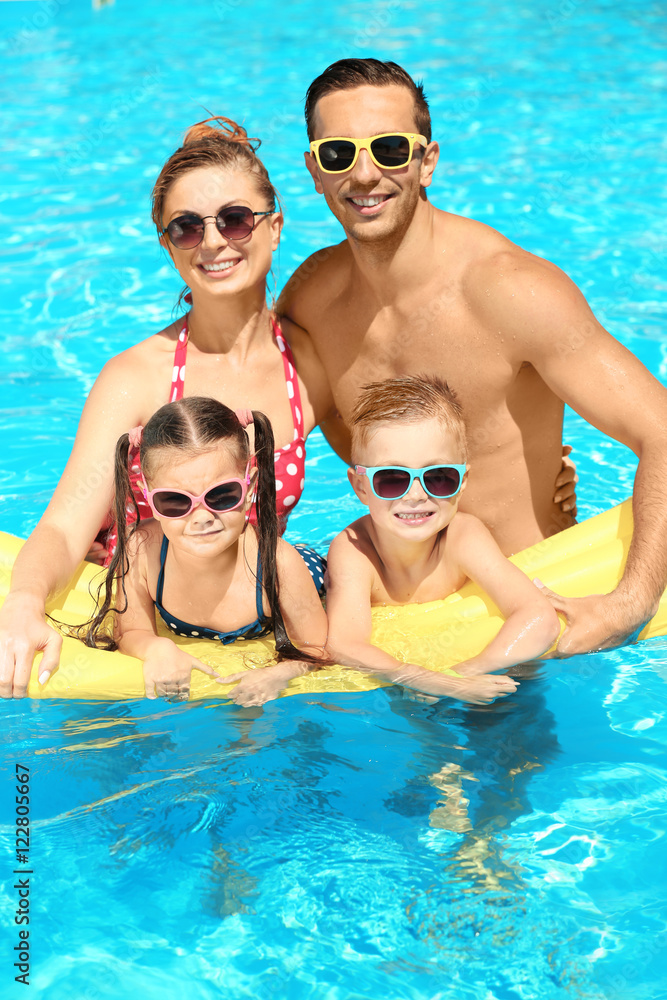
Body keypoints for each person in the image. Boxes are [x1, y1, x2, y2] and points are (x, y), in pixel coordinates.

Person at [0, 113, 573, 698]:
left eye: (235, 219)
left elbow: (396, 463)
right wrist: (23, 605)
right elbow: (65, 527)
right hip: (145, 618)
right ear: (168, 246)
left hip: (265, 613)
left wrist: (540, 482)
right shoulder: (136, 377)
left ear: (273, 228)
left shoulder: (310, 364)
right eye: (187, 228)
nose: (216, 241)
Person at [278, 57, 667, 658]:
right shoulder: (311, 302)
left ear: (427, 160)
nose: (363, 174)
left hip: (526, 619)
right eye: (337, 155)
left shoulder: (511, 292)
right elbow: (244, 430)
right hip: (390, 626)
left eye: (388, 149)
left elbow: (661, 431)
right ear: (314, 171)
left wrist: (631, 602)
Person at [325, 375, 560, 703]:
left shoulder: (462, 536)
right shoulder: (354, 550)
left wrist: (466, 674)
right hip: (397, 691)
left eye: (438, 478)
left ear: (462, 480)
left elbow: (538, 616)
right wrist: (424, 680)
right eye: (392, 479)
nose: (416, 495)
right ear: (360, 487)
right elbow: (345, 644)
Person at [80, 397, 327, 704]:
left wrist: (278, 673)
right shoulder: (143, 551)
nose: (201, 517)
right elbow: (130, 632)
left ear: (249, 488)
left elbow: (317, 649)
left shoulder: (279, 563)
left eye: (222, 495)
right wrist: (159, 648)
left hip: (310, 572)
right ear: (149, 498)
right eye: (175, 501)